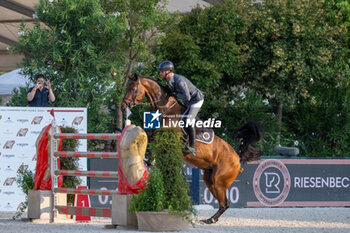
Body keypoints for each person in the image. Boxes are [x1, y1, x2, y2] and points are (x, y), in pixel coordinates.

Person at [158, 61, 204, 156]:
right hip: (188, 102)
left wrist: (175, 94)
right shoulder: (169, 80)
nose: (160, 73)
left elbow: (187, 97)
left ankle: (192, 147)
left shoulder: (179, 80)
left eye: (161, 71)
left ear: (168, 71)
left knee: (189, 120)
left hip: (196, 100)